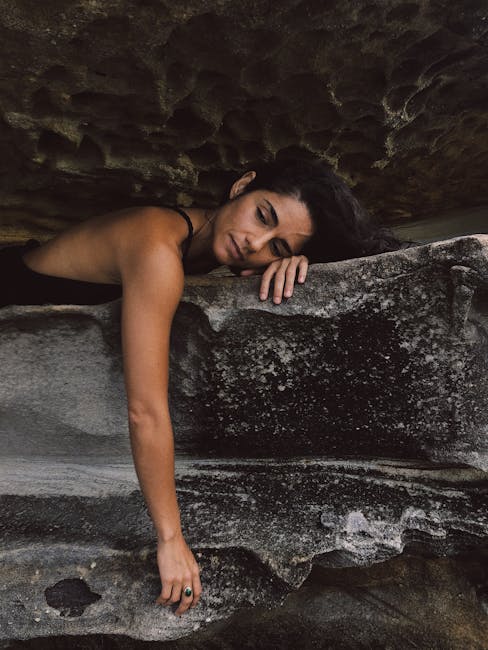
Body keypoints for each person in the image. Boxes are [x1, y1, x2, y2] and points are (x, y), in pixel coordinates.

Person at [0, 156, 402, 615]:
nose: (255, 242)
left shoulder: (196, 243)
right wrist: (171, 538)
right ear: (241, 186)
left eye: (277, 247)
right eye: (263, 215)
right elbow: (145, 409)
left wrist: (302, 262)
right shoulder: (157, 249)